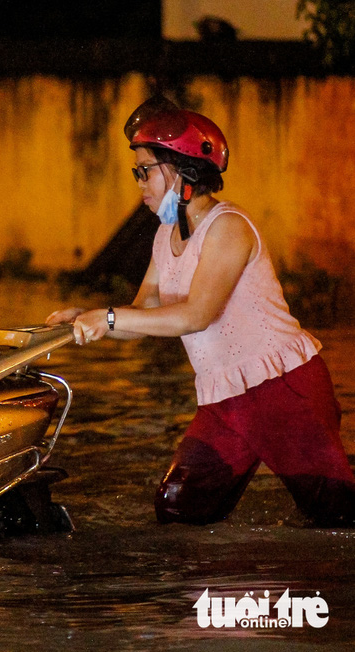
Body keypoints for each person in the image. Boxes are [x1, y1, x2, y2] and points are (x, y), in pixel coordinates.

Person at [47, 104, 355, 527]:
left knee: (337, 518)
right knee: (178, 508)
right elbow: (143, 314)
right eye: (137, 172)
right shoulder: (164, 235)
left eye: (145, 171)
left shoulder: (229, 226)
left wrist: (111, 318)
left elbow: (195, 316)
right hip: (223, 398)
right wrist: (86, 319)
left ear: (183, 170)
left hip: (284, 389)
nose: (139, 183)